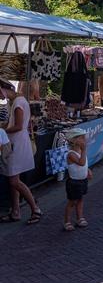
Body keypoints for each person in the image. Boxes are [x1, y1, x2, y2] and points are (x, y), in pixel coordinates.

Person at [0, 78, 42, 224]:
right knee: (14, 180)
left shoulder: (18, 103)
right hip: (18, 142)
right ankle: (16, 211)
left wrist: (3, 130)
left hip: (16, 144)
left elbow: (17, 126)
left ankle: (35, 208)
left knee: (14, 180)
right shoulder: (19, 101)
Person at [62, 128, 92, 232]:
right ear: (74, 140)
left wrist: (87, 170)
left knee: (80, 199)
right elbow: (81, 162)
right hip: (74, 182)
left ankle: (80, 217)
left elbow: (84, 164)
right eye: (82, 138)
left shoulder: (80, 151)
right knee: (72, 202)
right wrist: (84, 150)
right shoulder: (71, 154)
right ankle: (67, 221)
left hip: (82, 180)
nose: (84, 140)